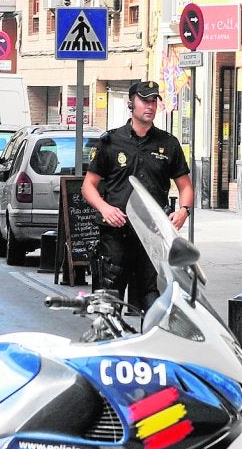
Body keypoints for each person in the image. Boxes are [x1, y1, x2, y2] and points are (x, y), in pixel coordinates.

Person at [81, 79, 194, 312]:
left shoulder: (169, 143)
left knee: (154, 302)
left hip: (153, 235)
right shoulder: (110, 142)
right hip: (115, 234)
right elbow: (88, 186)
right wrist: (105, 208)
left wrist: (184, 211)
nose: (150, 105)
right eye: (144, 100)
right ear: (131, 103)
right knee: (108, 303)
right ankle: (109, 345)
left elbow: (185, 186)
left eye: (154, 100)